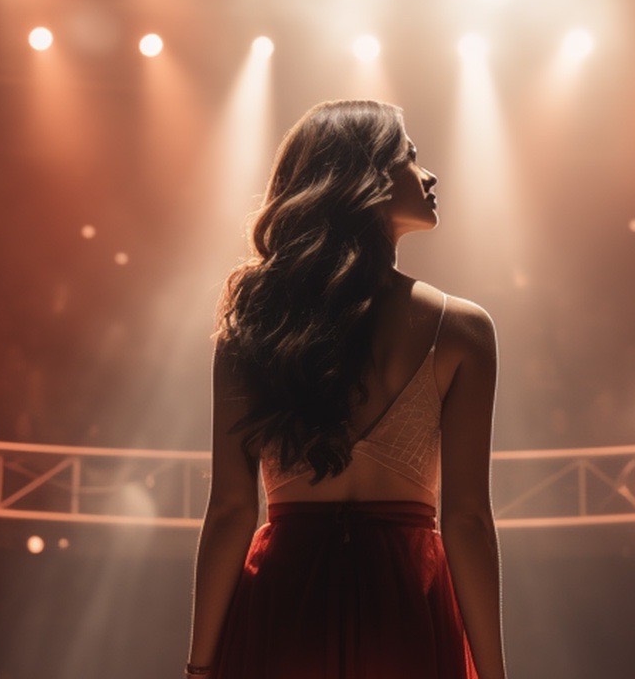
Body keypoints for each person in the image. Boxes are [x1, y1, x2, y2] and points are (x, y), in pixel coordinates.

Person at [185, 99, 507, 679]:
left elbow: (231, 509)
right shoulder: (462, 330)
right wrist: (494, 674)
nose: (429, 174)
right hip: (406, 604)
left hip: (283, 604)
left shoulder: (251, 331)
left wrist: (199, 669)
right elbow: (468, 521)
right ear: (368, 179)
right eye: (409, 156)